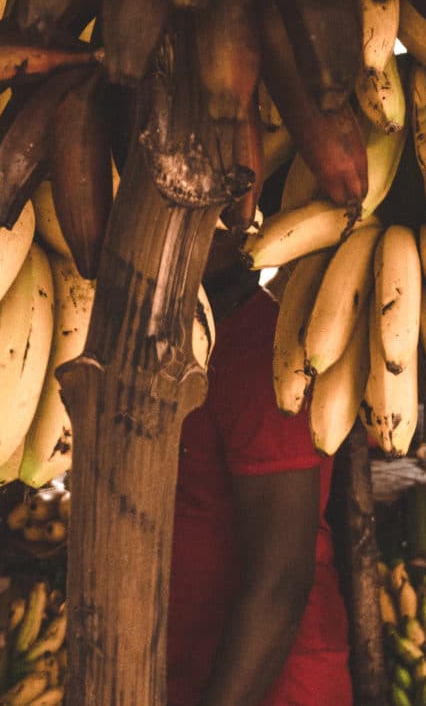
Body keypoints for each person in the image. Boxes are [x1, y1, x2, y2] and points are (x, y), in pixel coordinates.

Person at [167, 230, 352, 706]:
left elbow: (280, 584)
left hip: (270, 687)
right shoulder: (183, 345)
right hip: (191, 669)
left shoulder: (263, 355)